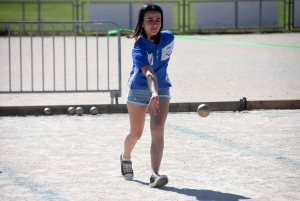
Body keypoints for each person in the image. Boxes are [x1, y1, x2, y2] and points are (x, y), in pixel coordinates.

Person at [120, 3, 175, 188]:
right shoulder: (138, 48)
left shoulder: (169, 38)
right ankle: (125, 157)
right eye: (149, 20)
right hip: (139, 90)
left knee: (158, 129)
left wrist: (157, 93)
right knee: (136, 134)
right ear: (142, 23)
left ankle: (155, 174)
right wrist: (153, 92)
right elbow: (149, 72)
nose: (154, 24)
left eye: (158, 20)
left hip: (162, 89)